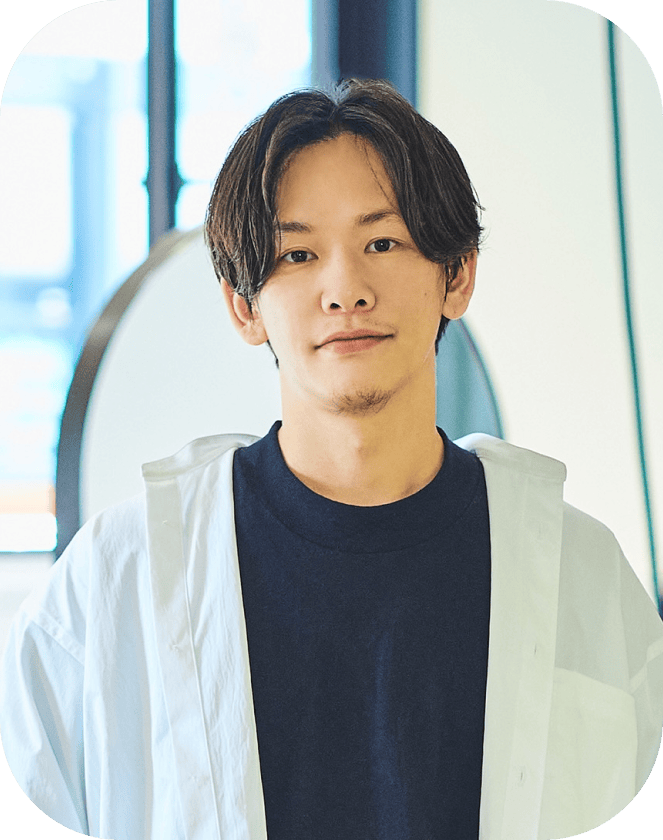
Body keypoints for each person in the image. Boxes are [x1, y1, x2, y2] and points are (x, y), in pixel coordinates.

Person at [2, 79, 663, 840]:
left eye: (382, 243)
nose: (344, 289)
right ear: (244, 306)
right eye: (298, 254)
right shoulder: (116, 577)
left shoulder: (583, 572)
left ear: (457, 275)